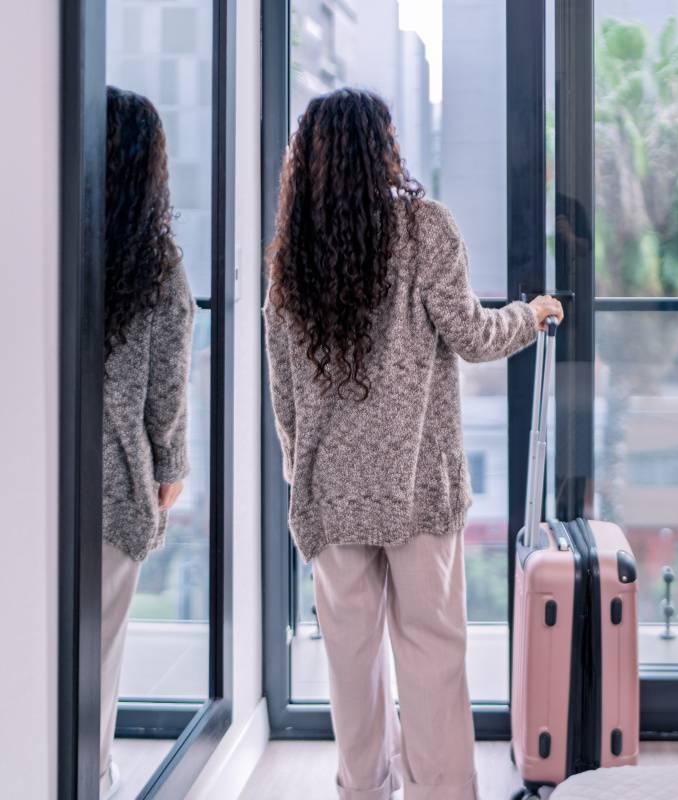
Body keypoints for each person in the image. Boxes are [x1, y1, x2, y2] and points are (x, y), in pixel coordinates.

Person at [264, 87, 563, 800]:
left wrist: (300, 473)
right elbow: (472, 335)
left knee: (351, 665)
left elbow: (284, 389)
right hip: (419, 487)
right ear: (384, 148)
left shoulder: (292, 255)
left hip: (331, 495)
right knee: (432, 654)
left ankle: (364, 790)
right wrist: (531, 315)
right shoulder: (426, 229)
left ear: (309, 161)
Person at [100, 86, 196, 798]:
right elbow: (167, 391)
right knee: (98, 650)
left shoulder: (43, 238)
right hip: (115, 481)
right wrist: (170, 467)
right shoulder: (155, 266)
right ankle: (91, 773)